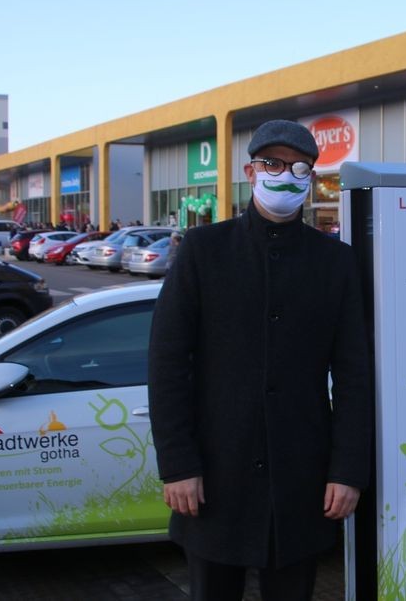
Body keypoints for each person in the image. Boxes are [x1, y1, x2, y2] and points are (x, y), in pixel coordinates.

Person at [149, 119, 372, 600]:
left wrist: (348, 470)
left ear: (311, 179)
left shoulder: (336, 263)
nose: (285, 175)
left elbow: (355, 375)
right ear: (251, 172)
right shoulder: (204, 251)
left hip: (302, 479)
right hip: (214, 477)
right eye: (272, 163)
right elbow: (168, 363)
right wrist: (177, 463)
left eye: (298, 167)